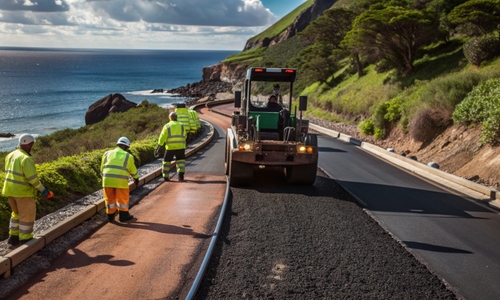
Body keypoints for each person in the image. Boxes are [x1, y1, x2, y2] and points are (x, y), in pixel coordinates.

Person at [2, 133, 53, 246]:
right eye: (32, 144)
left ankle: (13, 237)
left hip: (10, 191)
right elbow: (33, 179)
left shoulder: (10, 155)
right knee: (27, 215)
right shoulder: (26, 159)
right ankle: (25, 239)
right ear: (30, 144)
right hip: (23, 193)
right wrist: (44, 191)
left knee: (16, 214)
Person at [101, 136, 139, 222]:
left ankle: (110, 217)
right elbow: (133, 170)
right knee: (122, 199)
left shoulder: (106, 153)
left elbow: (102, 168)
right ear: (126, 146)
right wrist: (136, 178)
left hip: (107, 180)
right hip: (120, 182)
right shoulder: (128, 156)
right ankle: (123, 216)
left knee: (109, 199)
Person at [155, 111, 187, 181]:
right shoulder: (181, 125)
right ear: (176, 117)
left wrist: (159, 145)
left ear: (170, 118)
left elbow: (162, 136)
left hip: (170, 148)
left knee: (166, 162)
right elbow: (185, 135)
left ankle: (166, 176)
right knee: (181, 161)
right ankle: (180, 177)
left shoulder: (167, 126)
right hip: (180, 147)